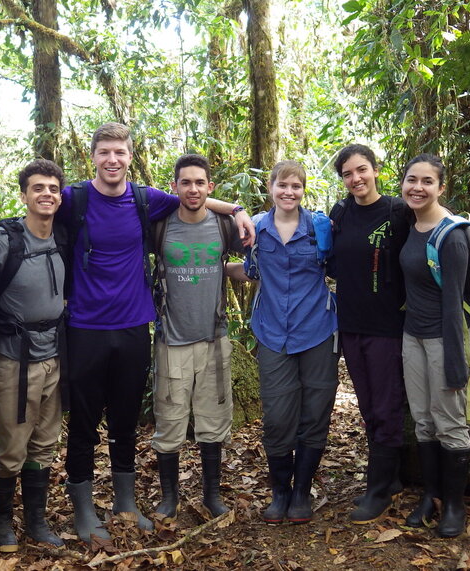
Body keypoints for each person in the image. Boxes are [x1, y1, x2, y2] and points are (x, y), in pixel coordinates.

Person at [59, 122, 254, 543]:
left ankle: (126, 503)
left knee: (126, 420)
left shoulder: (145, 199)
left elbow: (196, 197)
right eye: (105, 152)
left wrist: (237, 210)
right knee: (84, 423)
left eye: (120, 152)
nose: (113, 159)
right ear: (92, 156)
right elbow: (36, 214)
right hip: (85, 328)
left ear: (130, 157)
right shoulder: (72, 199)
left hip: (133, 326)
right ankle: (83, 511)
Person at [227, 161, 339, 525]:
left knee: (315, 412)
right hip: (272, 332)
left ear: (303, 190)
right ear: (271, 188)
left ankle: (302, 492)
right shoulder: (255, 228)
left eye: (296, 186)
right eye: (282, 185)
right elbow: (249, 270)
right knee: (277, 417)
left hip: (318, 331)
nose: (289, 192)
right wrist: (208, 268)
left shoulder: (321, 228)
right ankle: (280, 492)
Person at [0, 159, 69, 551]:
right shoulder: (4, 239)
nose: (46, 194)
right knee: (13, 444)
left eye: (53, 188)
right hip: (14, 356)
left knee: (45, 442)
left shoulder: (63, 235)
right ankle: (0, 521)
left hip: (54, 354)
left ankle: (36, 520)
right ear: (24, 194)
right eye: (38, 188)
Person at [150, 154, 242, 520]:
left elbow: (243, 258)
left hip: (213, 337)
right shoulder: (158, 225)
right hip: (171, 339)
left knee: (213, 418)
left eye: (199, 182)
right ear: (173, 187)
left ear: (210, 187)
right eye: (185, 182)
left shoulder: (224, 226)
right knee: (169, 421)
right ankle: (169, 497)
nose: (192, 189)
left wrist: (238, 214)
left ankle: (212, 494)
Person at [326, 145, 413, 524]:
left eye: (361, 170)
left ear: (376, 170)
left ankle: (377, 491)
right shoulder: (340, 213)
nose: (355, 179)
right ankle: (390, 478)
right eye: (347, 174)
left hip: (387, 326)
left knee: (386, 405)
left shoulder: (397, 212)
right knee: (367, 406)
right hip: (351, 324)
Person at [397, 154, 470, 538]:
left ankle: (455, 506)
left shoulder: (453, 235)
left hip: (445, 337)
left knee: (450, 422)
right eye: (411, 179)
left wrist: (455, 362)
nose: (418, 187)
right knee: (423, 421)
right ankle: (430, 496)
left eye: (427, 181)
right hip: (412, 335)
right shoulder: (410, 225)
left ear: (441, 187)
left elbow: (452, 304)